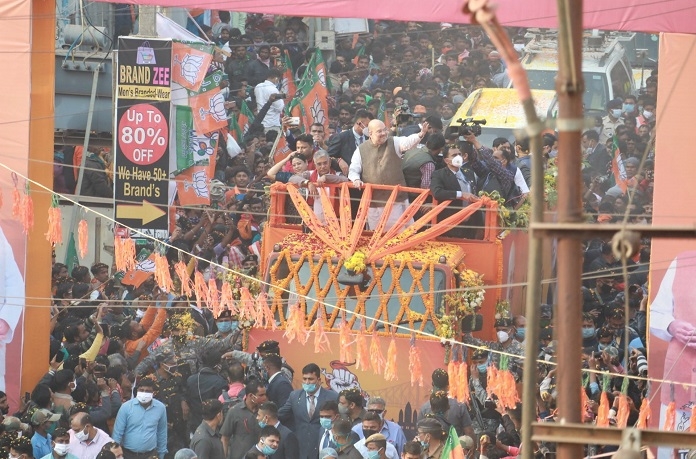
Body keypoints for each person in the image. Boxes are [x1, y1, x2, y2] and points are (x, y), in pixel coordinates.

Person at [348, 118, 430, 231]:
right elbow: (353, 170)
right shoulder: (360, 149)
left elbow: (407, 142)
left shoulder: (394, 142)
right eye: (379, 131)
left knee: (397, 232)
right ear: (370, 133)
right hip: (373, 201)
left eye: (384, 130)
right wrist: (356, 179)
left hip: (396, 200)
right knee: (376, 233)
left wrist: (420, 134)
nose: (383, 133)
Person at [278, 363, 338, 459]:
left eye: (310, 379)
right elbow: (281, 414)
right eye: (304, 379)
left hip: (322, 449)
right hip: (300, 449)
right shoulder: (294, 396)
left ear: (319, 380)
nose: (307, 382)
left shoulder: (332, 396)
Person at [429, 142, 481, 238]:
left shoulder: (469, 173)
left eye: (459, 154)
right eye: (454, 155)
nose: (458, 157)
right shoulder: (439, 174)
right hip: (450, 223)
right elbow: (437, 192)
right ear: (446, 160)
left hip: (470, 223)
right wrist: (461, 194)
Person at [111, 378, 168, 459]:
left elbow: (162, 432)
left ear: (154, 393)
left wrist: (161, 454)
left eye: (147, 391)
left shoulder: (160, 408)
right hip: (128, 454)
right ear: (137, 391)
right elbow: (117, 433)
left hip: (150, 455)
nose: (144, 393)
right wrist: (115, 454)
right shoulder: (126, 407)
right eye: (141, 390)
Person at [419, 369, 475, 439]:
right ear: (448, 383)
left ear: (432, 383)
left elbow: (420, 434)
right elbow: (469, 432)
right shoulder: (459, 406)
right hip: (455, 445)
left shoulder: (424, 408)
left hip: (433, 445)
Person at [220, 379, 267, 459]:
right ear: (251, 396)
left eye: (265, 394)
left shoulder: (265, 411)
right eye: (261, 395)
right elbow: (225, 438)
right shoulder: (234, 411)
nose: (264, 398)